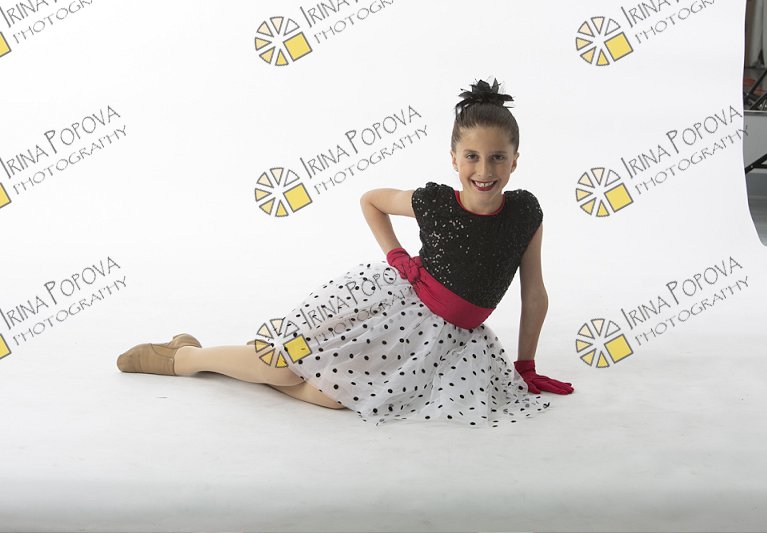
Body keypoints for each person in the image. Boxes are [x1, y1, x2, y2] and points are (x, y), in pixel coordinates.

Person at [117, 78, 574, 427]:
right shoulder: (436, 202)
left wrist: (526, 363)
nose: (484, 169)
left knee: (333, 398)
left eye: (497, 157)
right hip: (392, 310)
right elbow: (372, 200)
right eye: (472, 156)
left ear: (515, 160)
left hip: (448, 341)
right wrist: (396, 256)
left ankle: (234, 361)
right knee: (286, 367)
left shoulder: (525, 212)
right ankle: (185, 358)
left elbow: (534, 293)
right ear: (454, 158)